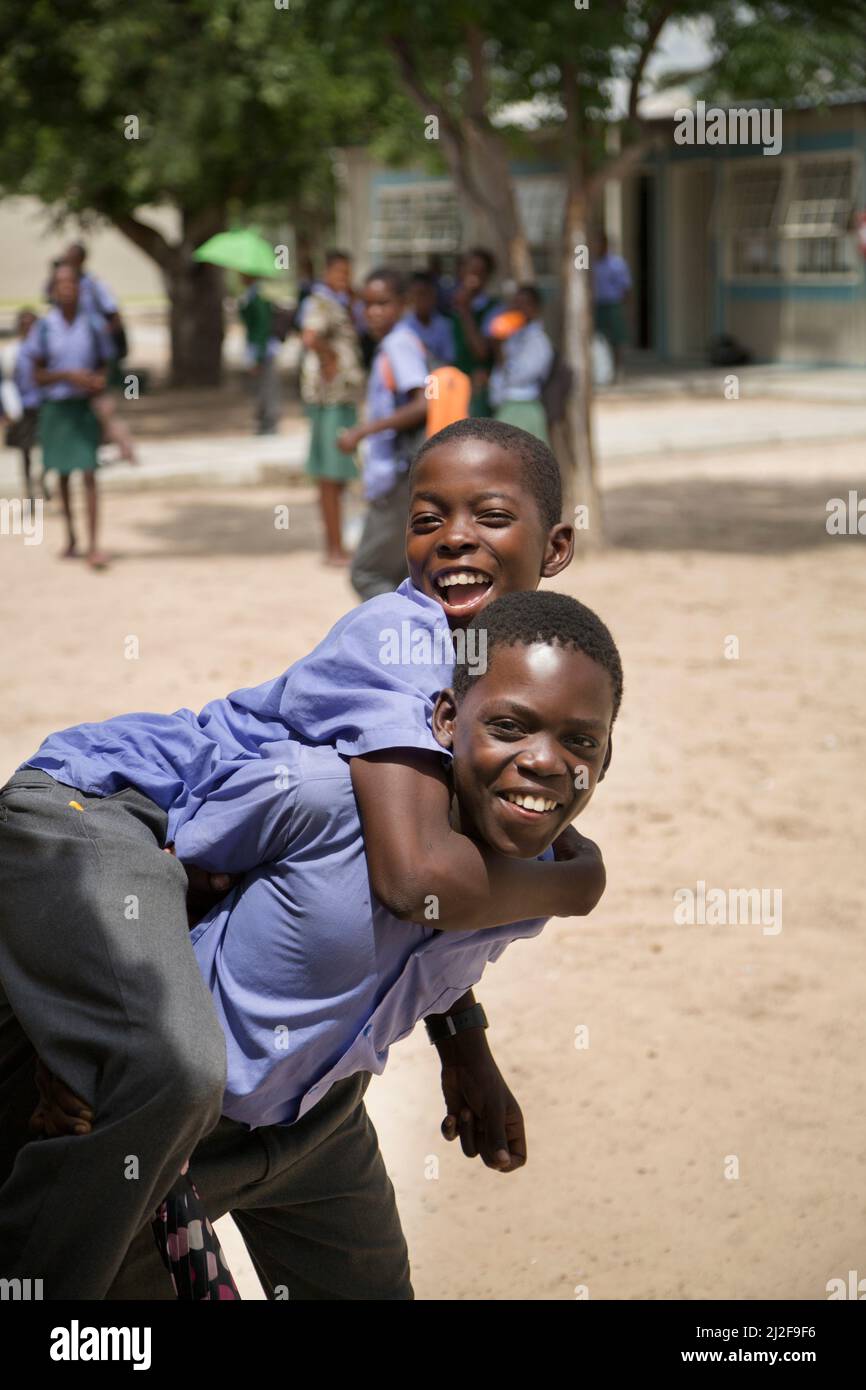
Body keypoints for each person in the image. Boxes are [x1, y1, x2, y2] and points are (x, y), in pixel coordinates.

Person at [0, 419, 593, 1298]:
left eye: (490, 515)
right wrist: (580, 883)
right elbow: (415, 880)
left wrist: (463, 1034)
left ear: (556, 547)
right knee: (170, 1065)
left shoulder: (521, 682)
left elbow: (410, 898)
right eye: (427, 518)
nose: (456, 536)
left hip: (281, 1045)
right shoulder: (402, 637)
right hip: (103, 801)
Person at [338, 268, 429, 601]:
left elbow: (422, 405)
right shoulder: (394, 344)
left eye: (383, 303)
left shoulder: (398, 345)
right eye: (367, 304)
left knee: (367, 572)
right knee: (402, 573)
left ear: (402, 304)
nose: (373, 312)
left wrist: (362, 431)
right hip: (392, 474)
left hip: (398, 476)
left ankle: (401, 640)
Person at [25, 263, 114, 569]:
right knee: (62, 474)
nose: (66, 288)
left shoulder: (92, 325)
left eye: (71, 282)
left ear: (79, 288)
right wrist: (66, 376)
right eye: (60, 283)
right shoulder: (44, 328)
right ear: (53, 290)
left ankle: (93, 545)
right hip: (57, 409)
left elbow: (107, 364)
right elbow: (36, 374)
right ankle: (72, 536)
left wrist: (97, 380)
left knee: (89, 472)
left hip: (83, 409)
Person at [299, 251, 365, 566]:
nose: (344, 278)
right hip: (331, 399)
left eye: (347, 272)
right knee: (329, 474)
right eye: (339, 272)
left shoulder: (338, 301)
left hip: (341, 398)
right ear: (327, 272)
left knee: (337, 475)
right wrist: (330, 360)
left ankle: (337, 545)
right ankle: (333, 549)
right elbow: (310, 336)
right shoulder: (321, 302)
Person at [60, 242, 137, 463]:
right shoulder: (64, 282)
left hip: (97, 355)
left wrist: (101, 337)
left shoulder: (93, 285)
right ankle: (107, 445)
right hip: (80, 356)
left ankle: (124, 447)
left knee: (103, 402)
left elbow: (113, 313)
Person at [489, 285, 554, 445]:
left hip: (522, 406)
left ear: (535, 308)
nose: (518, 309)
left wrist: (499, 349)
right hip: (505, 404)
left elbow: (519, 377)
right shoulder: (513, 335)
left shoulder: (539, 341)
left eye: (524, 304)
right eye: (515, 304)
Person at [1, 309, 49, 501]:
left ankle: (43, 479)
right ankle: (29, 493)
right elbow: (4, 381)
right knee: (25, 452)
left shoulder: (46, 351)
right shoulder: (12, 352)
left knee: (50, 449)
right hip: (22, 408)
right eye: (25, 325)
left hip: (45, 406)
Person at [449, 247, 501, 417]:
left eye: (479, 271)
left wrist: (465, 312)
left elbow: (481, 352)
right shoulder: (446, 306)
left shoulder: (493, 309)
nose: (473, 276)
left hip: (479, 391)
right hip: (451, 388)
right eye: (469, 269)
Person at [238, 274, 281, 435]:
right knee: (259, 387)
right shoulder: (249, 297)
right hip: (255, 347)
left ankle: (269, 422)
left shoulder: (259, 298)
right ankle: (263, 421)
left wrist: (257, 356)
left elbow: (262, 328)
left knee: (267, 387)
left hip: (263, 350)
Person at [592, 232, 632, 382]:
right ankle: (598, 372)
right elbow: (577, 269)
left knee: (617, 339)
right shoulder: (588, 261)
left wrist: (626, 309)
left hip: (613, 304)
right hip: (595, 305)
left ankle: (618, 371)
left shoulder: (616, 263)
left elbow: (626, 288)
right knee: (595, 339)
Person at [404, 270, 456, 364]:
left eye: (426, 294)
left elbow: (449, 360)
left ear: (434, 295)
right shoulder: (402, 327)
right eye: (418, 294)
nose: (422, 299)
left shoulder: (444, 325)